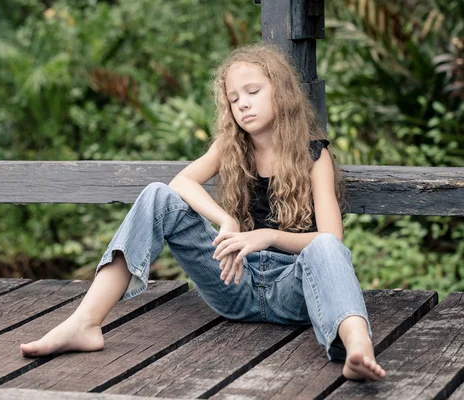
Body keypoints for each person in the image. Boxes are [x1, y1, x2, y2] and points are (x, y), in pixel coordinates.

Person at [20, 44, 386, 381]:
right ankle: (85, 322)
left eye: (254, 92)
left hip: (295, 289)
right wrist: (225, 220)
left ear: (282, 92)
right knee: (156, 195)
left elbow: (332, 240)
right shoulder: (232, 147)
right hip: (235, 284)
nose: (243, 104)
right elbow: (182, 182)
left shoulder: (313, 155)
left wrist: (268, 236)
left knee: (325, 248)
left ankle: (356, 347)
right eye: (234, 98)